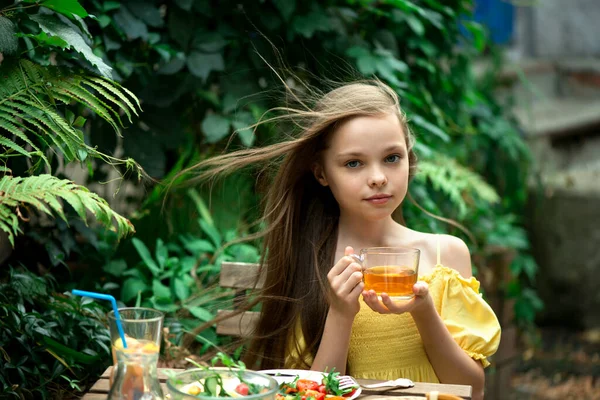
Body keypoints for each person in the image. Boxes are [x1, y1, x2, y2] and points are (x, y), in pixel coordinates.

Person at [184, 79, 501, 400]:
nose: (378, 177)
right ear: (322, 173)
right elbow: (307, 393)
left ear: (409, 158)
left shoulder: (444, 253)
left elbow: (473, 390)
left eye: (392, 157)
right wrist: (340, 313)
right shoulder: (310, 261)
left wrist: (424, 313)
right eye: (354, 163)